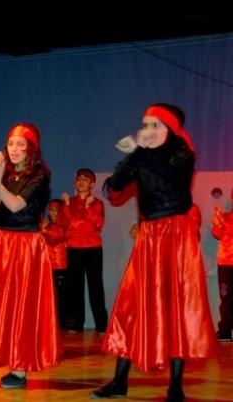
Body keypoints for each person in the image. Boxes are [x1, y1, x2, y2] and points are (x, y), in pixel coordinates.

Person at [92, 103, 217, 400]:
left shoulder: (182, 153)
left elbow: (170, 175)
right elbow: (115, 187)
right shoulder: (142, 156)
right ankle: (119, 381)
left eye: (155, 125)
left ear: (170, 129)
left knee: (177, 305)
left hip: (176, 234)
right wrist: (132, 155)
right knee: (131, 304)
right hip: (149, 235)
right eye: (145, 125)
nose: (148, 130)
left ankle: (176, 385)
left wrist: (138, 150)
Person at [0, 122, 60, 390]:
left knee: (22, 306)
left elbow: (15, 205)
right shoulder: (6, 173)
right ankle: (4, 356)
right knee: (1, 304)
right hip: (3, 242)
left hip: (26, 246)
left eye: (21, 145)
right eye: (11, 143)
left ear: (31, 149)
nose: (14, 149)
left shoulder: (39, 175)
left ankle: (20, 367)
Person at [60, 168, 108, 333]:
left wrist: (87, 207)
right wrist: (67, 206)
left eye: (85, 179)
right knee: (75, 287)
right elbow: (65, 224)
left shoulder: (97, 203)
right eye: (79, 179)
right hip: (74, 248)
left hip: (93, 248)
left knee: (96, 286)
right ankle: (77, 323)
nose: (81, 182)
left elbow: (98, 225)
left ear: (92, 184)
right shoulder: (69, 202)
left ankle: (101, 325)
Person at [41, 198, 68, 329]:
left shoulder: (65, 226)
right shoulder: (46, 225)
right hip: (47, 265)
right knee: (48, 295)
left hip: (60, 264)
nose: (52, 213)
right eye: (51, 210)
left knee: (61, 296)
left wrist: (43, 230)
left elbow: (55, 239)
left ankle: (60, 322)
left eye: (56, 210)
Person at [211, 191, 233, 342]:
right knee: (226, 298)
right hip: (225, 264)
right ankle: (225, 331)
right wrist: (218, 222)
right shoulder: (224, 217)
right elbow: (216, 234)